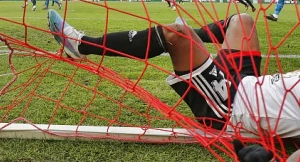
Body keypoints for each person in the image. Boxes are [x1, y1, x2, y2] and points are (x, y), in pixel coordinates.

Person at [47, 9, 300, 138]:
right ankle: (193, 36)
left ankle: (81, 45)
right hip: (250, 81)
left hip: (230, 104)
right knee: (243, 21)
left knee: (175, 34)